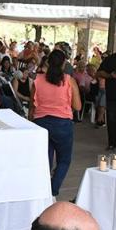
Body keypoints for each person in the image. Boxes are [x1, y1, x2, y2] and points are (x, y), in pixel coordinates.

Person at [30, 50, 82, 197]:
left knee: (45, 160)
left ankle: (42, 190)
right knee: (64, 160)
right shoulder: (69, 80)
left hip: (41, 122)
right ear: (64, 63)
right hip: (62, 124)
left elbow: (33, 104)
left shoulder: (38, 80)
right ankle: (52, 190)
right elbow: (78, 106)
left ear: (48, 62)